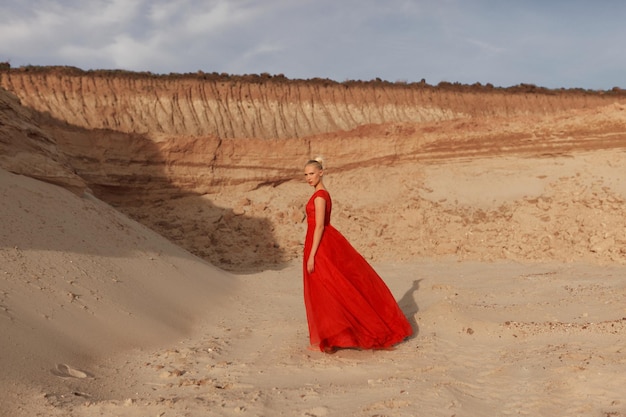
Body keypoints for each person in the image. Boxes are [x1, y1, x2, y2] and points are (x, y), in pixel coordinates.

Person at [302, 157, 413, 353]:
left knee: (331, 287)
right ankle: (331, 337)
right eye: (305, 174)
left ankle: (339, 336)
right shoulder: (321, 194)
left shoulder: (320, 196)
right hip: (319, 242)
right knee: (327, 288)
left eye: (311, 173)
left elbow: (319, 225)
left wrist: (312, 255)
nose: (308, 177)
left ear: (321, 172)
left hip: (321, 245)